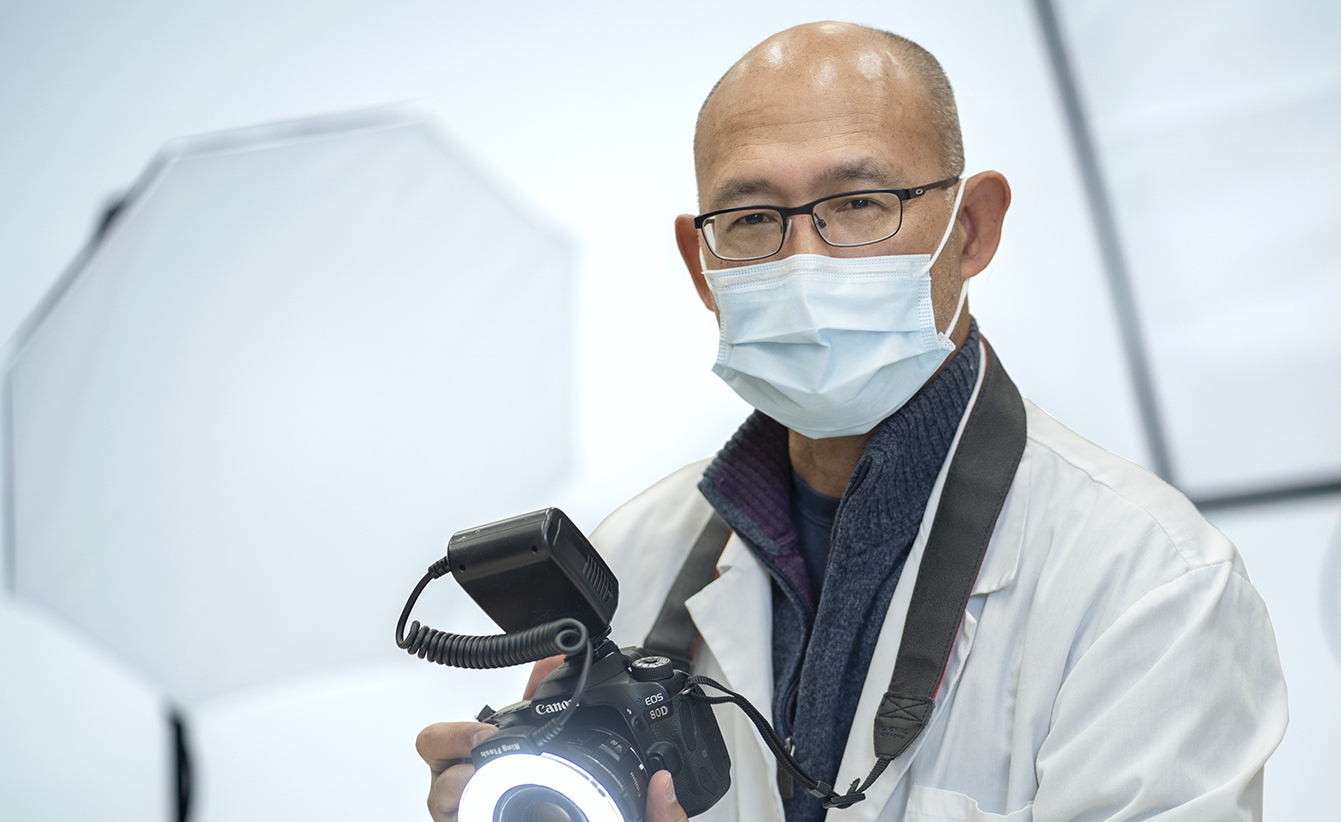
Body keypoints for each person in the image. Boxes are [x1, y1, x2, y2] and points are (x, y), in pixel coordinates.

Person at [420, 21, 1288, 822]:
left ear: (971, 229)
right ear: (701, 263)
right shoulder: (632, 559)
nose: (804, 260)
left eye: (861, 205)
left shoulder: (1150, 584)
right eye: (754, 219)